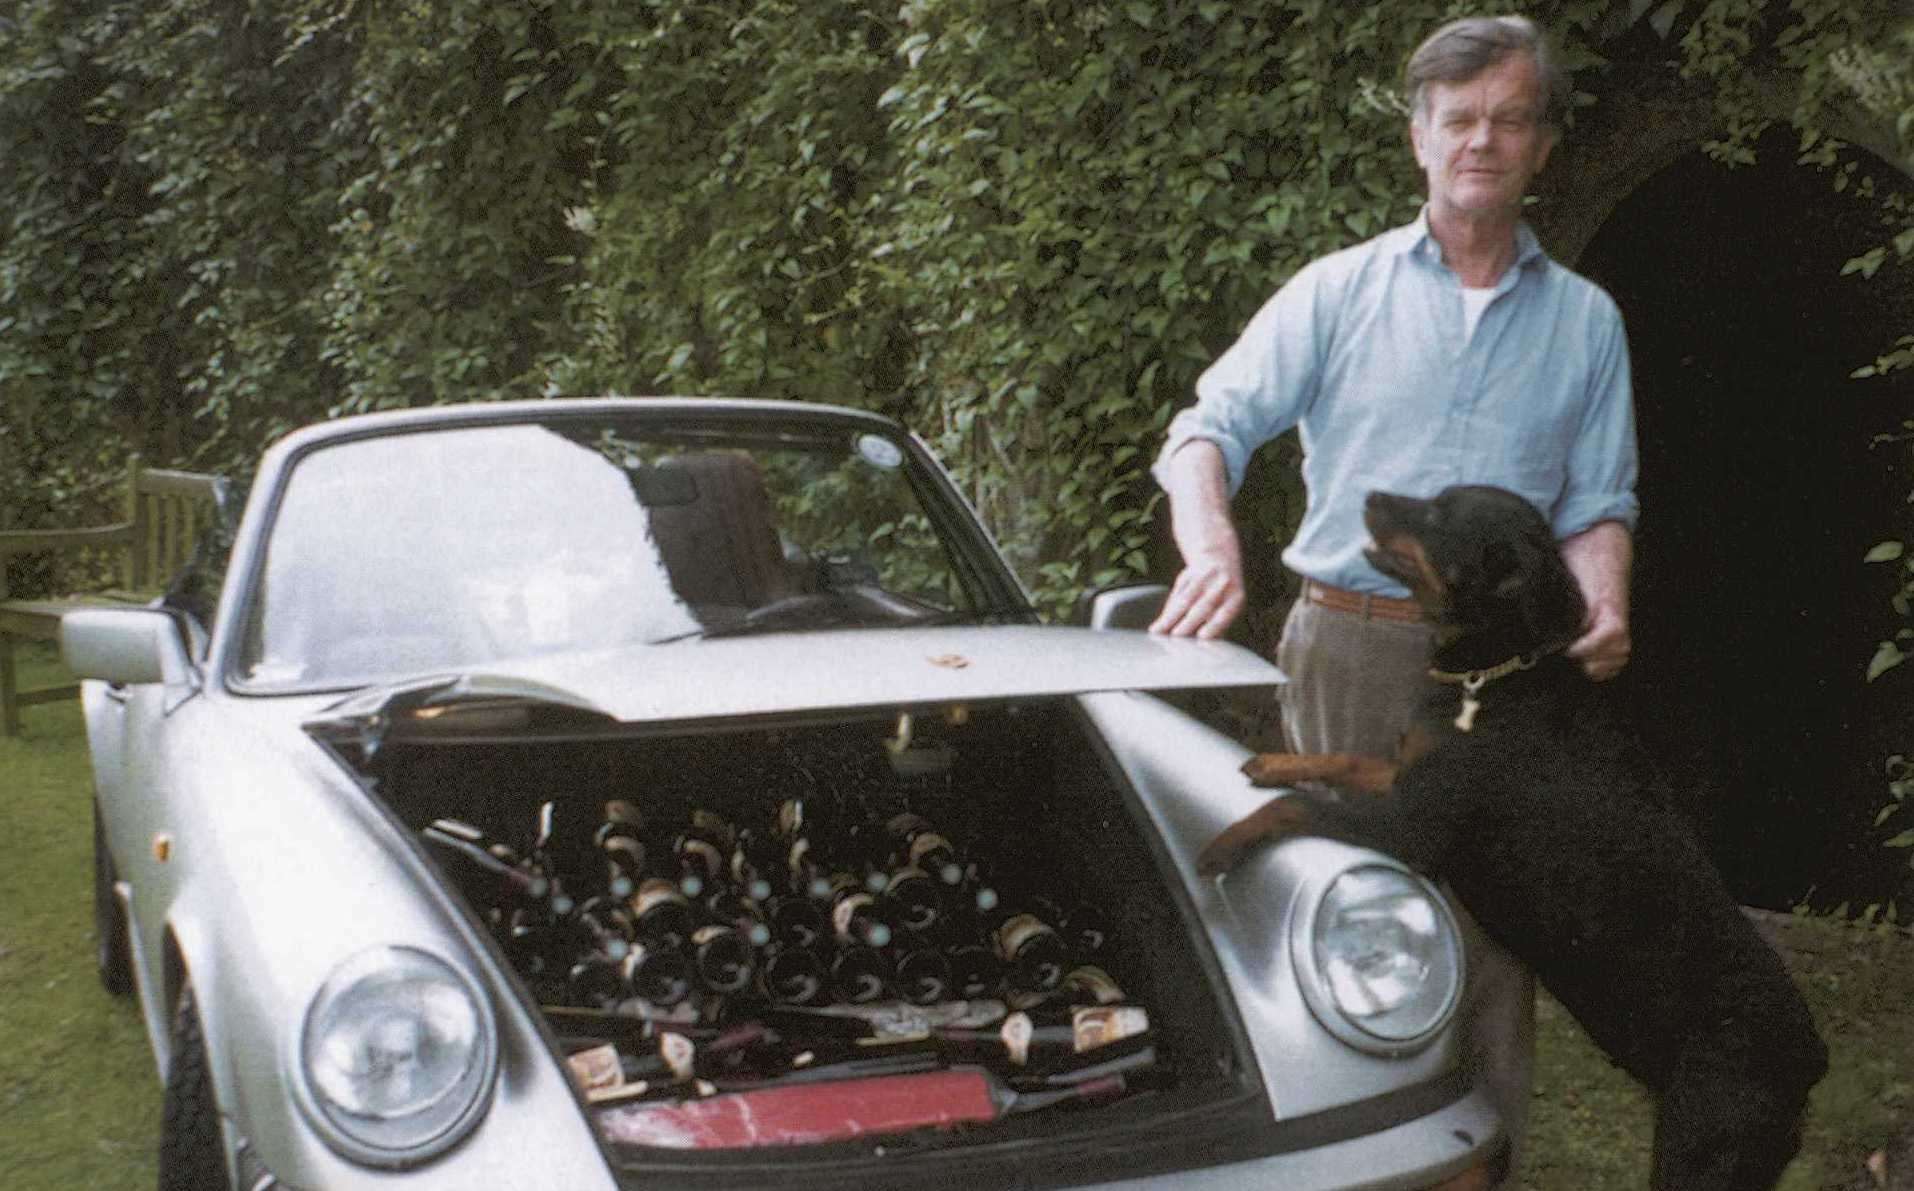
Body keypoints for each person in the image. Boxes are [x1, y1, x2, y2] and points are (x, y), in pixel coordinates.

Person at [1148, 14, 1638, 1183]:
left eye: (1510, 119)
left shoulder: (1587, 323)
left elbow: (1599, 502)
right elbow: (1203, 432)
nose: (1483, 141)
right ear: (1419, 138)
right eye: (1458, 119)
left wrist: (1606, 594)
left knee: (1497, 937)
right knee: (1343, 905)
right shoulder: (1336, 292)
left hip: (1506, 682)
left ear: (1544, 145)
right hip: (1349, 649)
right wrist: (1210, 540)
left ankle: (1478, 1169)